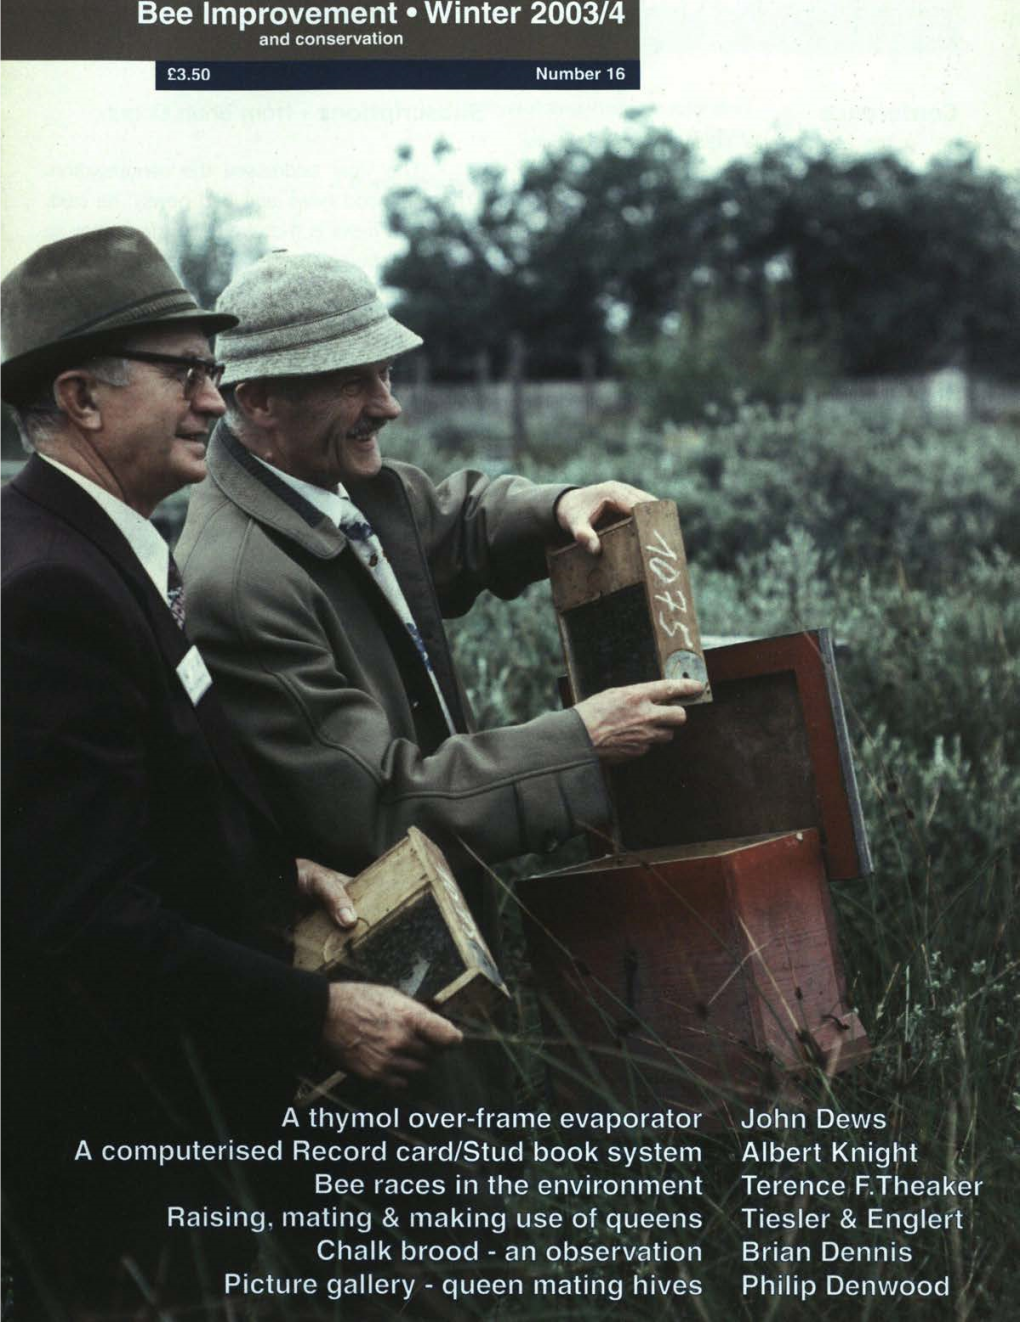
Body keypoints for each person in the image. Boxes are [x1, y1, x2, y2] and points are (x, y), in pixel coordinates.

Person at [0, 228, 461, 1312]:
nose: (217, 397)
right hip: (111, 1129)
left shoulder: (98, 547)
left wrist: (268, 864)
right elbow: (80, 912)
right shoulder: (47, 593)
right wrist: (316, 1014)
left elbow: (130, 804)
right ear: (82, 396)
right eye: (187, 371)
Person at [177, 250, 703, 1028]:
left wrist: (559, 505)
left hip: (439, 928)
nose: (388, 407)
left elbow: (449, 522)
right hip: (382, 972)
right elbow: (382, 801)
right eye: (354, 380)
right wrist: (579, 742)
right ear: (256, 401)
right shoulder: (242, 583)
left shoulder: (330, 479)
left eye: (385, 375)